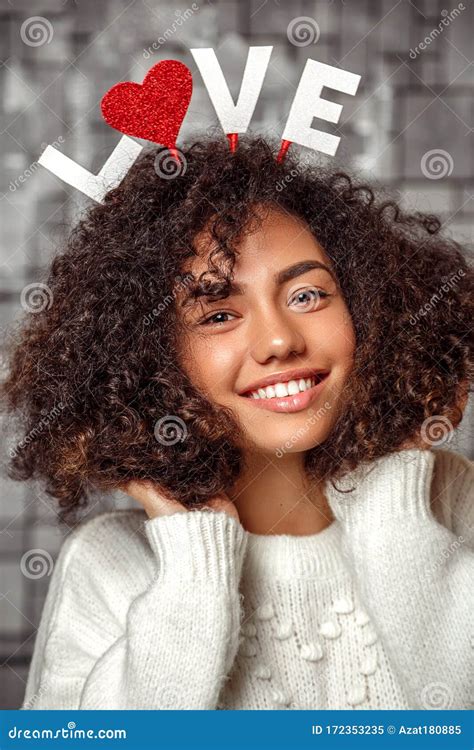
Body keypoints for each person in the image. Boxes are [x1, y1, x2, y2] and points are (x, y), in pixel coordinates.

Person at [2, 136, 472, 710]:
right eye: (219, 313)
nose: (279, 341)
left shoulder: (453, 502)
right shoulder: (108, 566)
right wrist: (193, 559)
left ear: (371, 310)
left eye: (307, 295)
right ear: (149, 359)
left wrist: (394, 500)